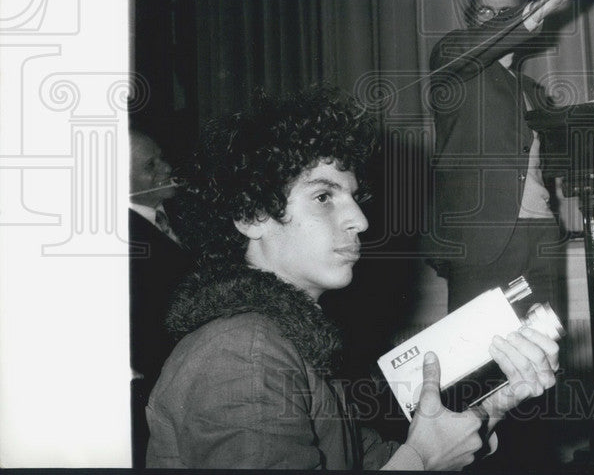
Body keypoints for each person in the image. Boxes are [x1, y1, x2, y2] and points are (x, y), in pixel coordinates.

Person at [144, 85, 560, 469]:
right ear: (252, 215)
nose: (360, 220)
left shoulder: (286, 339)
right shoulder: (241, 353)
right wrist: (423, 460)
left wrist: (495, 406)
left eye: (354, 197)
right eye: (324, 196)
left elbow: (374, 461)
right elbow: (411, 461)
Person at [427, 0, 586, 314]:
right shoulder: (450, 60)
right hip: (483, 240)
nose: (497, 18)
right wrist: (540, 8)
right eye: (486, 11)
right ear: (471, 19)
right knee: (481, 348)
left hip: (541, 235)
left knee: (544, 345)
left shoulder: (533, 91)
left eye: (506, 11)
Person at [128, 129, 192, 467]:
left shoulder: (185, 211)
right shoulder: (121, 240)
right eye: (150, 166)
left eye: (161, 157)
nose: (167, 168)